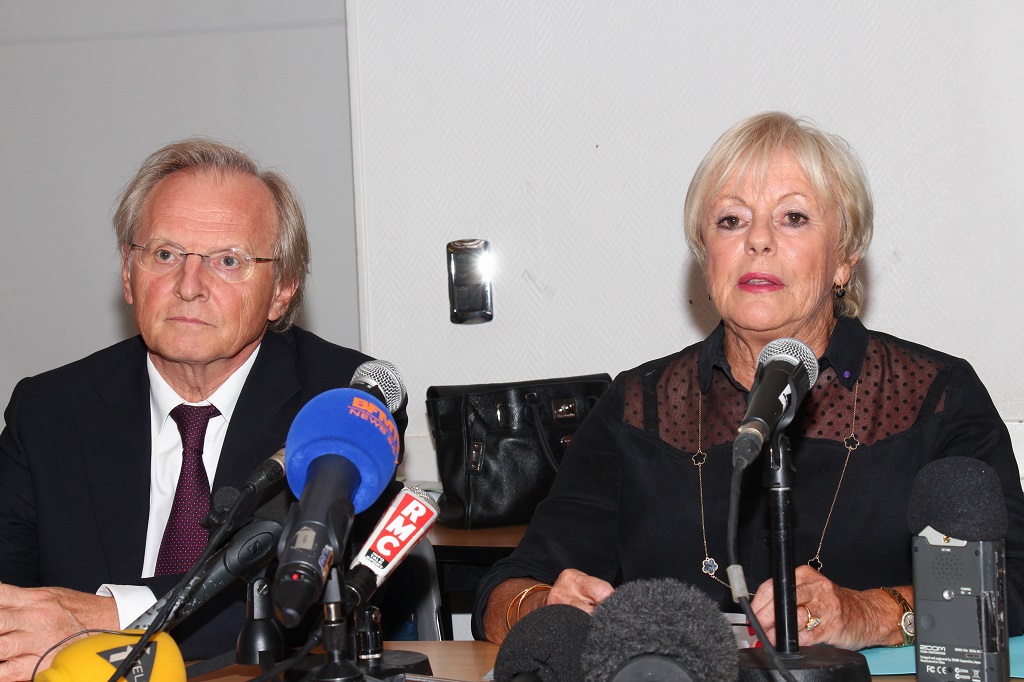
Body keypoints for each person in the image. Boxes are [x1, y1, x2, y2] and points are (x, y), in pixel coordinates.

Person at [474, 112, 1024, 650]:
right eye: (731, 221)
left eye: (794, 218)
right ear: (705, 257)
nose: (758, 241)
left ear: (845, 258)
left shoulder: (934, 397)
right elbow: (504, 590)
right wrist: (539, 607)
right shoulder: (638, 409)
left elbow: (1015, 584)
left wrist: (873, 613)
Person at [0, 139, 405, 679]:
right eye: (165, 254)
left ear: (282, 288)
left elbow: (305, 602)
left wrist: (110, 616)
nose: (189, 287)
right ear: (127, 271)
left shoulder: (343, 407)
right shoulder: (49, 411)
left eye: (228, 261)